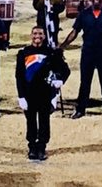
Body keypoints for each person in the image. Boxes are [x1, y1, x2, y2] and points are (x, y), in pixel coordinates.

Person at [16, 26, 70, 161]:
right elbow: (19, 76)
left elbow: (65, 70)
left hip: (45, 93)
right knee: (31, 121)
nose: (37, 36)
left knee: (44, 121)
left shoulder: (51, 53)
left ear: (44, 36)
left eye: (40, 34)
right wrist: (21, 96)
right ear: (31, 35)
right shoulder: (23, 53)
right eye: (34, 33)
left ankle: (42, 147)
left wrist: (60, 81)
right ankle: (32, 147)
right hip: (29, 93)